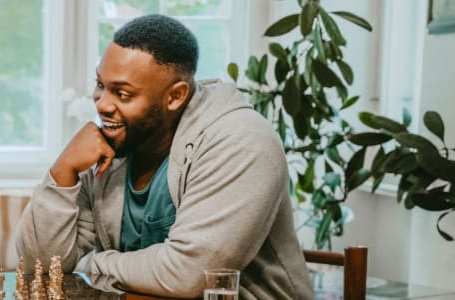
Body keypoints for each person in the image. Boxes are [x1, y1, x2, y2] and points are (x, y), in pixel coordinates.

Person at [15, 14, 313, 299]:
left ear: (175, 96)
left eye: (123, 93)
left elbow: (187, 274)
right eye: (101, 85)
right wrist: (63, 171)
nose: (102, 104)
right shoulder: (115, 143)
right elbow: (40, 266)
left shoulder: (242, 141)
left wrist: (90, 266)